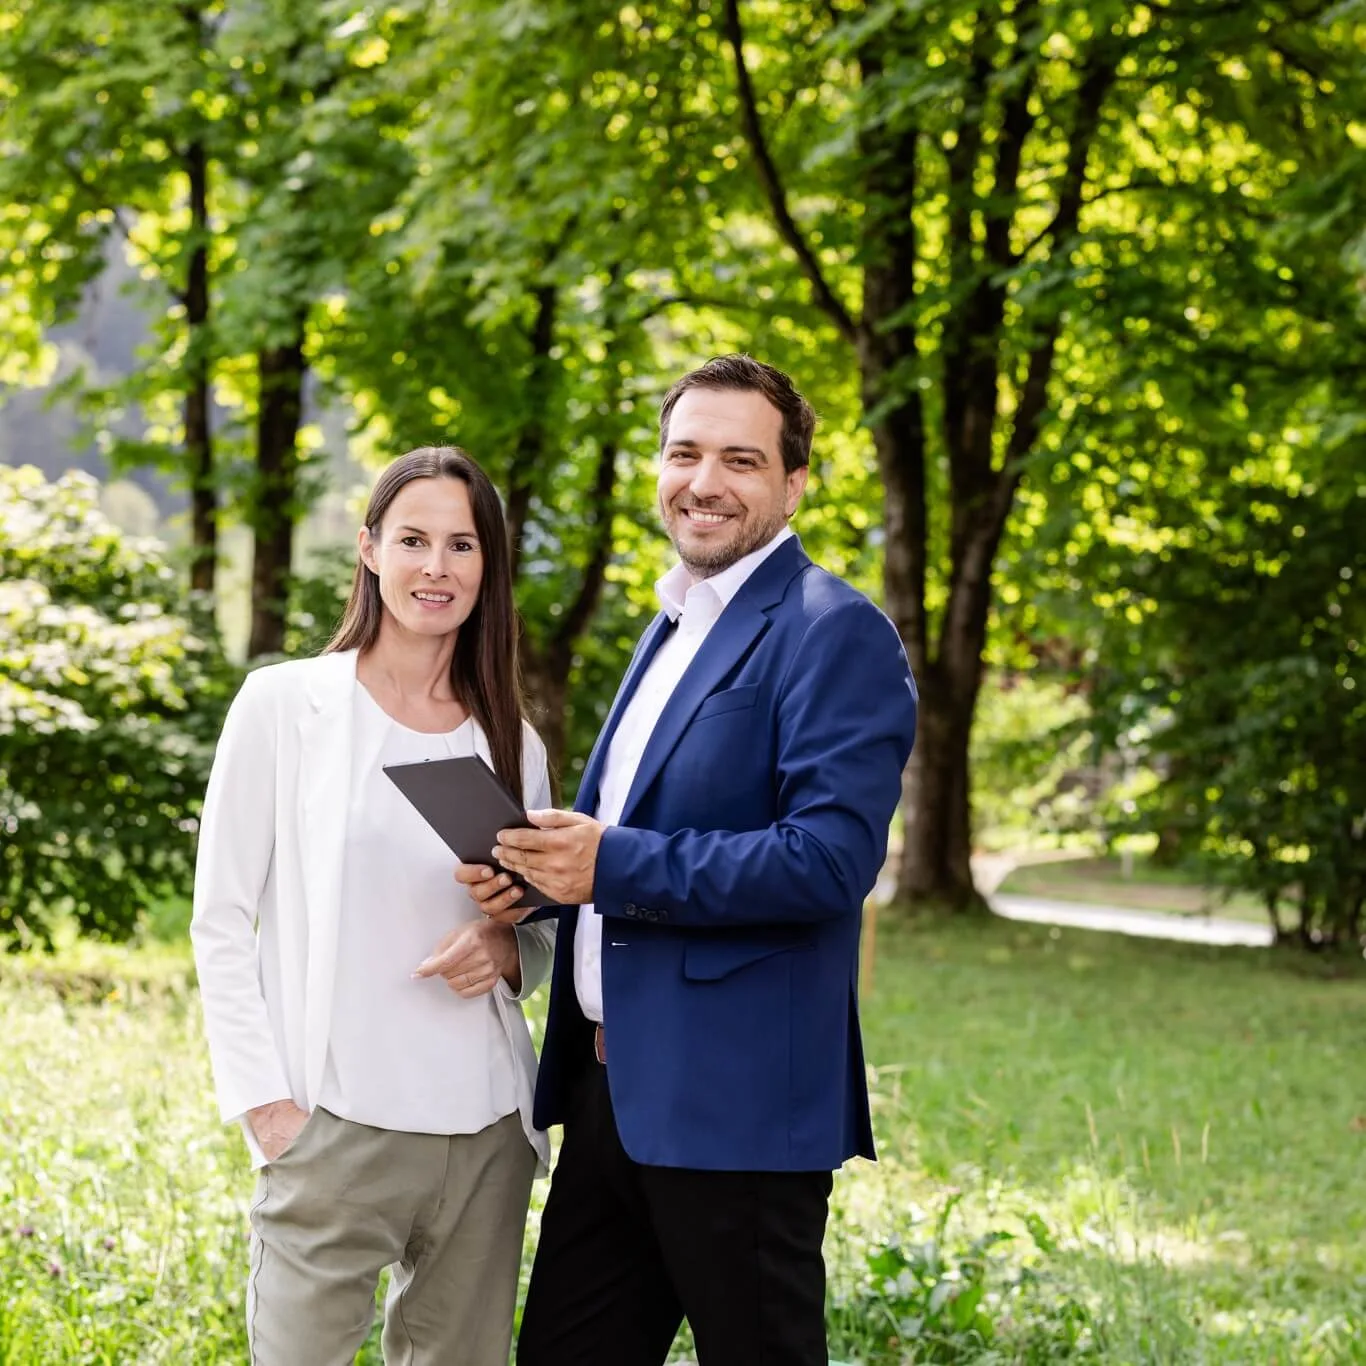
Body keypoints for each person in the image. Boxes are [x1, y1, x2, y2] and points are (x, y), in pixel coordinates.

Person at [459, 356, 919, 1365]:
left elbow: (829, 860)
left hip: (738, 1108)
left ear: (793, 484)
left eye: (740, 459)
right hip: (607, 1095)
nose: (704, 480)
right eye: (685, 452)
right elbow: (630, 831)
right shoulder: (668, 622)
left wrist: (611, 863)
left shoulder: (834, 632)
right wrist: (537, 882)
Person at [191, 446, 556, 1366]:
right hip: (333, 1125)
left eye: (463, 545)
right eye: (414, 540)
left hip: (482, 1137)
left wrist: (506, 946)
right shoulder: (283, 707)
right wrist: (268, 1110)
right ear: (369, 549)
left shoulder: (512, 740)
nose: (437, 567)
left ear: (489, 566)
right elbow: (221, 920)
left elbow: (544, 930)